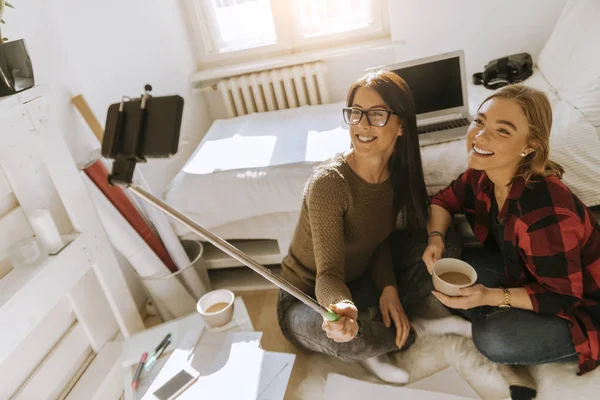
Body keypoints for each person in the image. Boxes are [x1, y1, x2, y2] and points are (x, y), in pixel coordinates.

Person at [277, 70, 470, 384]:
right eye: (355, 113)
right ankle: (416, 327)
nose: (362, 125)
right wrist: (342, 307)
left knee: (446, 246)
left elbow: (377, 241)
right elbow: (328, 275)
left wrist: (389, 288)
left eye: (377, 114)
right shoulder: (329, 184)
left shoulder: (396, 176)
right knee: (354, 338)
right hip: (308, 296)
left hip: (361, 276)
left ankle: (387, 319)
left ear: (401, 126)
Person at [422, 84, 600, 399]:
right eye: (479, 121)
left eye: (502, 131)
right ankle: (505, 331)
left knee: (492, 339)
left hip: (582, 306)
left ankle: (515, 352)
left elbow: (564, 299)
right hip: (528, 276)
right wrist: (435, 238)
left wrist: (490, 297)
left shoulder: (546, 214)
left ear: (529, 146)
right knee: (450, 275)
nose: (480, 137)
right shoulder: (482, 174)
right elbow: (443, 201)